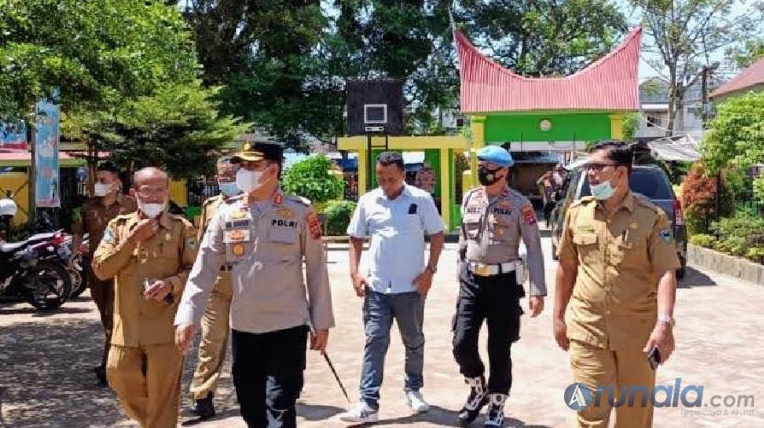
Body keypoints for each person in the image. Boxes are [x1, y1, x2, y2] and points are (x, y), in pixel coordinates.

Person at [174, 141, 334, 428]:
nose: (242, 171)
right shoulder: (227, 212)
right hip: (245, 327)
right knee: (251, 405)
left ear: (272, 170)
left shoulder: (299, 211)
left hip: (287, 325)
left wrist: (321, 321)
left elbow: (317, 269)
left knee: (280, 404)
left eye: (251, 166)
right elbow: (205, 267)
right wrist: (188, 316)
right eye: (242, 165)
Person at [553, 141, 679, 428]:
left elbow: (665, 272)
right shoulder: (578, 213)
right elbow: (566, 267)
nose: (591, 173)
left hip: (639, 336)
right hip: (588, 330)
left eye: (598, 167)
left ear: (621, 173)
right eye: (589, 167)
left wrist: (664, 323)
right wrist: (558, 317)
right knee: (590, 414)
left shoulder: (652, 218)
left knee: (634, 416)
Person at [338, 152, 445, 424]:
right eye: (381, 179)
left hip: (411, 288)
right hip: (377, 288)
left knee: (413, 340)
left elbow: (437, 234)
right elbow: (355, 237)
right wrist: (354, 273)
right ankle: (368, 401)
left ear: (403, 175)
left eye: (391, 179)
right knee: (375, 341)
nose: (386, 184)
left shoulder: (420, 200)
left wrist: (430, 271)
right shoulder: (368, 201)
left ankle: (413, 388)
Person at [92, 167, 198, 428]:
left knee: (163, 397)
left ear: (168, 192)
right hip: (126, 329)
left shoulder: (182, 228)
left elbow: (195, 273)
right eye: (147, 191)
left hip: (164, 330)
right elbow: (101, 269)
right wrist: (131, 241)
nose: (153, 196)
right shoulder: (118, 227)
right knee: (118, 377)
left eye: (160, 190)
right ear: (134, 193)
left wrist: (170, 284)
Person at [453, 145, 546, 427]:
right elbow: (463, 240)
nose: (482, 172)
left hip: (503, 284)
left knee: (499, 348)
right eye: (480, 166)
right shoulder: (470, 198)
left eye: (488, 168)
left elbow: (533, 247)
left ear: (504, 172)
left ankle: (496, 403)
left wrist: (537, 290)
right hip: (471, 282)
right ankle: (477, 387)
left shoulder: (520, 205)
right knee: (461, 342)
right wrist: (460, 273)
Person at [72, 161, 136, 386]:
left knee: (114, 315)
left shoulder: (130, 205)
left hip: (123, 269)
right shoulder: (89, 207)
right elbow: (79, 232)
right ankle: (117, 360)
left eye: (103, 181)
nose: (98, 185)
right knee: (105, 315)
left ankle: (110, 365)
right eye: (96, 181)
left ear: (116, 183)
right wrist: (73, 254)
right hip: (96, 269)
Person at [187, 156, 240, 420]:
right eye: (222, 176)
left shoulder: (254, 204)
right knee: (211, 340)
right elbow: (200, 248)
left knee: (249, 341)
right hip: (217, 283)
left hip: (247, 283)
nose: (226, 180)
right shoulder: (210, 206)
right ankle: (202, 395)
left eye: (231, 175)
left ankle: (250, 389)